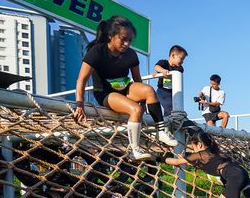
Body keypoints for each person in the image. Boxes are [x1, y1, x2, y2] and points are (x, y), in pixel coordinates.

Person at [73, 16, 177, 161]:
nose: (127, 43)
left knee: (149, 90)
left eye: (130, 40)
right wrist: (79, 104)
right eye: (123, 39)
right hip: (105, 93)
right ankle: (135, 150)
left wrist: (144, 101)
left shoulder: (131, 54)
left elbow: (137, 80)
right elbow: (81, 80)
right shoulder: (97, 52)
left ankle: (161, 131)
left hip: (125, 88)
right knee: (136, 109)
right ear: (111, 36)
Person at [154, 45, 188, 116]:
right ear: (173, 55)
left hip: (172, 92)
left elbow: (173, 76)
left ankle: (168, 121)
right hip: (162, 91)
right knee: (170, 106)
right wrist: (162, 71)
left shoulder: (179, 68)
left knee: (173, 108)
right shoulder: (163, 63)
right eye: (181, 58)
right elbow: (156, 67)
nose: (182, 61)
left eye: (183, 60)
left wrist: (164, 74)